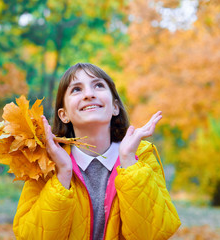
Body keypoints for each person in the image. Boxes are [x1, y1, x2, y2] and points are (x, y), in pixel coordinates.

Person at [13, 63, 181, 240]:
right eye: (76, 89)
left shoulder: (142, 159)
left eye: (99, 85)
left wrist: (129, 162)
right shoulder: (46, 165)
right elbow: (31, 236)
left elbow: (152, 234)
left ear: (115, 107)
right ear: (64, 115)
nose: (89, 94)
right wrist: (63, 173)